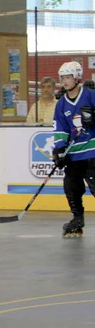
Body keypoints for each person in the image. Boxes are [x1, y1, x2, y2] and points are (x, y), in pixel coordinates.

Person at [52, 61, 95, 238]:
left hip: (93, 151)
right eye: (62, 77)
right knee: (71, 186)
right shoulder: (61, 104)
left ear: (77, 77)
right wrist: (60, 150)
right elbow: (60, 128)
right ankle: (77, 218)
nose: (65, 81)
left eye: (68, 77)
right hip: (75, 153)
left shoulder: (91, 95)